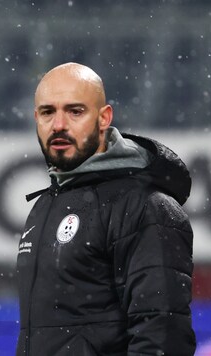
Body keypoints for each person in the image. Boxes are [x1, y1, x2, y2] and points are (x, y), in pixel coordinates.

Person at [15, 62, 195, 355]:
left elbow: (162, 333)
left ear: (104, 118)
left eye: (75, 111)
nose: (58, 125)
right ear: (36, 117)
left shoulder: (146, 206)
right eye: (48, 112)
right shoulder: (44, 205)